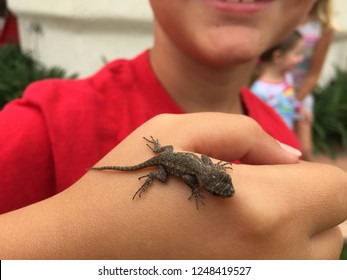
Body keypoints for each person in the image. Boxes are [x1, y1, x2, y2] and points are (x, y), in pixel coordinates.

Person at [0, 0, 346, 259]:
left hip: (169, 158)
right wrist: (64, 245)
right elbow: (198, 179)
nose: (222, 190)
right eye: (218, 187)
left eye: (218, 188)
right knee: (152, 172)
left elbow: (209, 173)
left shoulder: (275, 140)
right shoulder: (36, 125)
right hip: (165, 162)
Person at [292, 0, 335, 161]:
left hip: (300, 94)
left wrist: (293, 102)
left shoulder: (324, 28)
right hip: (273, 90)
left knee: (304, 150)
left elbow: (313, 76)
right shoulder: (282, 19)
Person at [251, 31, 308, 130]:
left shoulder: (287, 77)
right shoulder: (258, 90)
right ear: (278, 56)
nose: (301, 58)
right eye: (297, 53)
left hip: (287, 135)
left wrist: (300, 108)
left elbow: (290, 99)